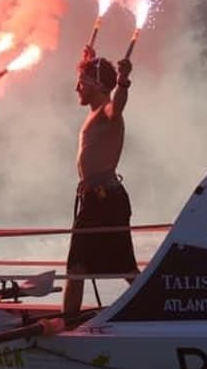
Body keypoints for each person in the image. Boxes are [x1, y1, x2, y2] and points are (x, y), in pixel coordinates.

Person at [63, 45, 139, 317]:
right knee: (78, 268)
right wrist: (87, 61)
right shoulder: (95, 109)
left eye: (81, 84)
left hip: (105, 200)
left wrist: (123, 80)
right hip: (95, 199)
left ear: (95, 84)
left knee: (118, 267)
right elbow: (97, 86)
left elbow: (117, 104)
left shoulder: (108, 110)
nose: (76, 89)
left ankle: (69, 326)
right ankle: (69, 324)